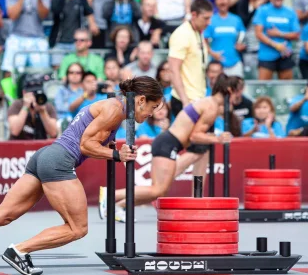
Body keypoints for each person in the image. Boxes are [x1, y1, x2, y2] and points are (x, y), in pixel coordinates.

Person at [0, 76, 163, 275]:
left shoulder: (112, 106)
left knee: (2, 214)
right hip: (58, 161)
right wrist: (117, 155)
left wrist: (111, 148)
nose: (151, 114)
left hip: (45, 156)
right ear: (141, 100)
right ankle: (19, 250)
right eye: (153, 108)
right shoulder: (115, 110)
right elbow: (85, 145)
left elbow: (91, 139)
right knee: (77, 228)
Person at [99, 74, 237, 222]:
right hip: (168, 143)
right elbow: (195, 136)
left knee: (159, 190)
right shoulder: (212, 107)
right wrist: (218, 138)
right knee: (158, 190)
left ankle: (117, 206)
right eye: (239, 92)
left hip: (168, 143)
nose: (239, 96)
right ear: (230, 90)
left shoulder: (207, 103)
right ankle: (110, 195)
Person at [168, 0, 213, 195]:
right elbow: (173, 69)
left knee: (204, 151)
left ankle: (198, 197)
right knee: (197, 150)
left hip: (199, 100)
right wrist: (186, 101)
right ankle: (153, 188)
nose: (208, 22)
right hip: (188, 101)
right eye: (205, 18)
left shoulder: (198, 33)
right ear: (193, 15)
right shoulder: (181, 35)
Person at [253, 0, 300, 80]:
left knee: (287, 88)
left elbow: (296, 34)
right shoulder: (262, 10)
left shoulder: (290, 12)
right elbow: (258, 33)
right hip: (266, 55)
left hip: (285, 54)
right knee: (263, 87)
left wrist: (279, 34)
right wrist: (276, 45)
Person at [8, 74, 58, 140]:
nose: (35, 96)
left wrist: (43, 112)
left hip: (40, 147)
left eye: (37, 93)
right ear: (24, 93)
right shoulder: (17, 105)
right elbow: (14, 131)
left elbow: (53, 133)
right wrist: (25, 107)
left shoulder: (47, 106)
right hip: (19, 146)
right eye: (32, 93)